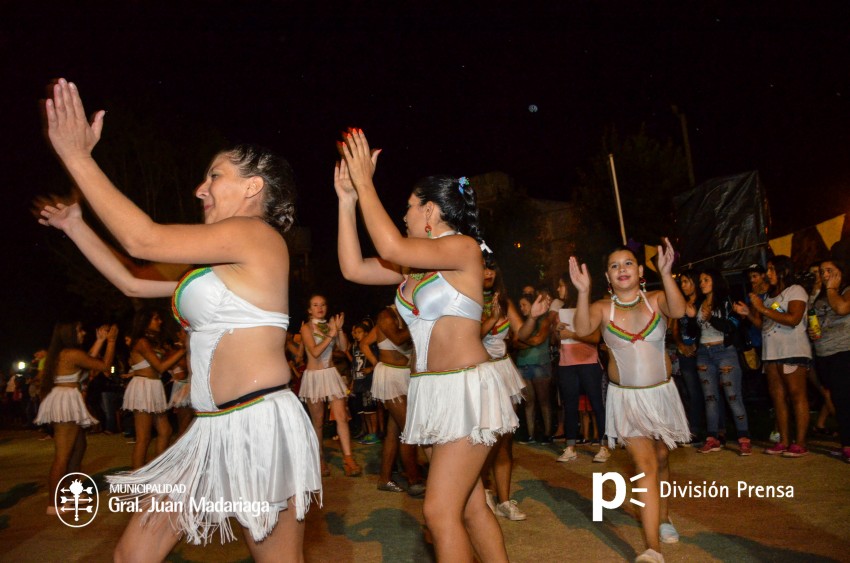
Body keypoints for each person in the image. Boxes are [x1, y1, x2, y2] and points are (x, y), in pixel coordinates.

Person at [41, 79, 320, 560]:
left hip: (259, 425)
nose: (199, 190)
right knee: (133, 554)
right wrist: (76, 226)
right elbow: (132, 281)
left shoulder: (256, 235)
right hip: (209, 431)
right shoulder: (222, 264)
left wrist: (77, 157)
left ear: (253, 187)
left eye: (214, 176)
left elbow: (143, 240)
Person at [335, 128, 516, 562]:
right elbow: (353, 269)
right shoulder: (412, 267)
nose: (404, 214)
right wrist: (347, 200)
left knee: (438, 513)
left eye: (410, 207)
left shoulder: (464, 249)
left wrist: (366, 182)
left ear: (430, 210)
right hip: (434, 391)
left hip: (467, 389)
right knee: (469, 506)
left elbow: (390, 242)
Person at [566, 241, 689, 563]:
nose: (622, 269)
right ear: (607, 275)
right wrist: (582, 291)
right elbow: (580, 329)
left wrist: (667, 273)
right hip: (627, 399)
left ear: (640, 271)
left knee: (661, 459)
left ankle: (663, 517)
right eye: (615, 265)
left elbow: (679, 311)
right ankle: (652, 549)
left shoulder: (658, 299)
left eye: (628, 263)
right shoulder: (601, 307)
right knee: (645, 465)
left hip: (662, 395)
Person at [35, 321, 117, 514]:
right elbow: (104, 366)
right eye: (80, 330)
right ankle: (53, 504)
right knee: (63, 455)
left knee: (79, 446)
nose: (83, 333)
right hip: (66, 401)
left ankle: (73, 492)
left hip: (63, 398)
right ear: (70, 334)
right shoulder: (71, 353)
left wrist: (99, 341)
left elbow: (87, 360)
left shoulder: (63, 353)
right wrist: (111, 342)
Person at [734, 255, 811, 457]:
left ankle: (800, 442)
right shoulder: (770, 296)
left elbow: (793, 319)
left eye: (771, 269)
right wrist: (749, 313)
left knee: (796, 395)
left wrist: (761, 308)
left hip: (792, 350)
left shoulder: (796, 291)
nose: (767, 274)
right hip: (771, 353)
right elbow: (763, 325)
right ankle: (784, 440)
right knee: (777, 398)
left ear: (783, 271)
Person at [528, 272, 608, 464]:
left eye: (562, 285)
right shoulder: (560, 309)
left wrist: (573, 332)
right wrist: (556, 332)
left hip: (589, 361)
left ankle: (604, 445)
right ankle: (570, 446)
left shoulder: (589, 307)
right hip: (567, 363)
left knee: (597, 404)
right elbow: (557, 340)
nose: (558, 289)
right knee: (569, 405)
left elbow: (596, 338)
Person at [480, 259, 527, 520]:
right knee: (485, 438)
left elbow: (524, 333)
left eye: (491, 268)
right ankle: (484, 490)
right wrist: (494, 318)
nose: (487, 272)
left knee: (505, 440)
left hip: (504, 372)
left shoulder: (506, 302)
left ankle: (505, 500)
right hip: (480, 374)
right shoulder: (468, 299)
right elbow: (471, 336)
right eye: (483, 268)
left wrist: (536, 318)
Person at [364, 304, 426, 496]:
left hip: (405, 375)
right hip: (390, 377)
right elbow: (398, 338)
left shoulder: (408, 316)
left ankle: (385, 478)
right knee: (409, 428)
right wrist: (376, 363)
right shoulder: (385, 315)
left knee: (394, 431)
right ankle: (414, 480)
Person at [690, 270, 751, 455]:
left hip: (724, 352)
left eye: (706, 279)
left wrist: (711, 318)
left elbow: (731, 326)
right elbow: (695, 329)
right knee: (710, 398)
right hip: (703, 352)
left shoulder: (728, 301)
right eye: (700, 280)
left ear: (715, 281)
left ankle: (744, 438)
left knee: (733, 396)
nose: (702, 283)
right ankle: (712, 437)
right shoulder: (700, 303)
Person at [299, 294, 361, 477]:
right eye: (315, 305)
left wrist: (340, 331)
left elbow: (343, 348)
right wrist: (331, 334)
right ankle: (320, 459)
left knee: (341, 417)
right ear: (309, 309)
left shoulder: (330, 325)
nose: (320, 308)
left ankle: (349, 459)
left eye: (323, 304)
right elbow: (316, 352)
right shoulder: (306, 328)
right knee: (318, 423)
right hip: (314, 377)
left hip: (331, 375)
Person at [123, 308, 186, 468]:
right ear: (145, 322)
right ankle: (137, 479)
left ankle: (157, 469)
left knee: (165, 431)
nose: (160, 321)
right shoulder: (142, 342)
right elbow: (160, 367)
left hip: (153, 386)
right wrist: (184, 349)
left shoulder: (151, 342)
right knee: (143, 437)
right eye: (156, 318)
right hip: (144, 387)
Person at [809, 259, 850, 461]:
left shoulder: (845, 290)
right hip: (824, 353)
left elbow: (842, 308)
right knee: (835, 399)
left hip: (844, 351)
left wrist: (832, 289)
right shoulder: (822, 295)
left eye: (830, 271)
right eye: (822, 271)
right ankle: (845, 441)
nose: (825, 275)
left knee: (844, 399)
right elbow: (812, 316)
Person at [671, 270, 705, 446]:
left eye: (686, 281)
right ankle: (693, 430)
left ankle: (716, 431)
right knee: (689, 392)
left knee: (708, 392)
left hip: (702, 352)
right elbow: (675, 328)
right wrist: (681, 345)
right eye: (681, 282)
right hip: (685, 353)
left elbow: (706, 327)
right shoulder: (680, 304)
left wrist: (696, 346)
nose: (683, 285)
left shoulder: (703, 302)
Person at [515, 294, 554, 443]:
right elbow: (515, 342)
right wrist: (529, 341)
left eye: (524, 305)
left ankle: (547, 433)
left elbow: (539, 339)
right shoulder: (521, 322)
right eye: (520, 305)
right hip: (523, 364)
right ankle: (530, 435)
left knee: (544, 401)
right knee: (529, 402)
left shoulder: (544, 320)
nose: (521, 308)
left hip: (540, 364)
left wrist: (523, 341)